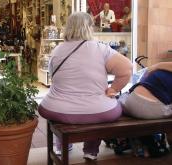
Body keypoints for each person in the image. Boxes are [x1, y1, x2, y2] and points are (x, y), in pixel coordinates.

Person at [38, 12, 132, 160]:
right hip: (98, 111)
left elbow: (54, 78)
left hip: (56, 109)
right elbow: (127, 69)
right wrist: (113, 89)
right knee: (110, 108)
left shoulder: (57, 50)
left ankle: (61, 146)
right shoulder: (100, 49)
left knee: (64, 110)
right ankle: (90, 151)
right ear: (88, 28)